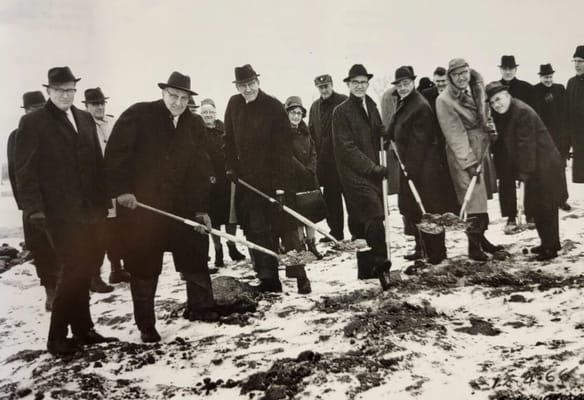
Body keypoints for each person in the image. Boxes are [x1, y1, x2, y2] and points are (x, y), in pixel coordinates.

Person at [104, 71, 216, 343]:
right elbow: (116, 155)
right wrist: (122, 191)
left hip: (183, 206)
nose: (177, 102)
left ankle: (201, 308)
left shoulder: (194, 124)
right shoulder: (138, 115)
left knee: (195, 253)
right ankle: (146, 325)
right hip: (144, 208)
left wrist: (200, 208)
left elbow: (201, 167)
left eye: (182, 97)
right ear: (163, 93)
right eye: (172, 96)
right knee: (144, 265)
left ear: (189, 99)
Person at [15, 66, 117, 356]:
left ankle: (83, 330)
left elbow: (97, 164)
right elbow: (25, 171)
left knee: (85, 269)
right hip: (56, 214)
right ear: (49, 91)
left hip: (89, 213)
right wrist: (34, 210)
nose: (65, 95)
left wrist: (103, 202)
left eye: (71, 90)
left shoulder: (84, 118)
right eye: (59, 90)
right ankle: (56, 337)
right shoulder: (34, 122)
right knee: (72, 271)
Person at [224, 64, 294, 293]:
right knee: (252, 228)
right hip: (245, 181)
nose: (247, 89)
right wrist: (231, 167)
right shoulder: (233, 105)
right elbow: (229, 141)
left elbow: (284, 150)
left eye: (251, 83)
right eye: (242, 85)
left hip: (270, 181)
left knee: (268, 228)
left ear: (258, 82)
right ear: (237, 86)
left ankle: (272, 278)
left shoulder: (273, 106)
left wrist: (281, 186)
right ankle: (262, 272)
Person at [487, 81, 567, 261]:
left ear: (507, 96)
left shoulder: (521, 112)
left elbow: (526, 146)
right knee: (537, 207)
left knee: (545, 207)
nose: (496, 104)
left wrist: (523, 173)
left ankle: (551, 248)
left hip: (545, 166)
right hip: (535, 166)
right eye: (492, 102)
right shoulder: (509, 111)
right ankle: (548, 243)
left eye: (498, 99)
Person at [435, 58, 501, 261]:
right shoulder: (444, 100)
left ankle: (482, 239)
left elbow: (486, 113)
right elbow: (454, 134)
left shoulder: (476, 88)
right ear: (450, 77)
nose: (462, 77)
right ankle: (473, 247)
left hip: (481, 148)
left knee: (481, 200)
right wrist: (469, 162)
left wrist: (491, 130)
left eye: (465, 72)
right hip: (464, 154)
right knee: (471, 199)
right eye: (457, 74)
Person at [386, 66, 454, 262]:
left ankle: (437, 253)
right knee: (414, 209)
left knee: (429, 209)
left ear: (413, 83)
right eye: (399, 85)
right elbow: (395, 127)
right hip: (411, 166)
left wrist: (410, 170)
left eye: (406, 84)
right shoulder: (405, 102)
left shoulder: (420, 105)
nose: (403, 87)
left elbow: (419, 141)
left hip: (425, 169)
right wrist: (386, 134)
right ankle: (420, 248)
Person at [332, 64, 390, 274]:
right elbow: (347, 148)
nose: (359, 86)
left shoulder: (371, 105)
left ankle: (366, 270)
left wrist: (385, 135)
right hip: (354, 175)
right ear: (348, 84)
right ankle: (380, 262)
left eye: (363, 82)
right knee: (374, 214)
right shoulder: (341, 112)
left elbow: (376, 134)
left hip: (372, 172)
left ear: (367, 83)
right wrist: (372, 168)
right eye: (355, 82)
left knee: (360, 221)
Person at [7, 91, 58, 312]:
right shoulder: (17, 135)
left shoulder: (55, 132)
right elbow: (17, 173)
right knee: (43, 251)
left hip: (59, 206)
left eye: (40, 108)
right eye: (32, 109)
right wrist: (29, 207)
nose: (36, 113)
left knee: (62, 250)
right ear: (26, 111)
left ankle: (65, 291)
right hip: (35, 208)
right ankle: (51, 293)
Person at [83, 87, 130, 291]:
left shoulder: (112, 123)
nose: (100, 107)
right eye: (95, 104)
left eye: (102, 103)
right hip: (95, 188)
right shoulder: (82, 126)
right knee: (98, 232)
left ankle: (116, 269)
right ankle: (94, 276)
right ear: (86, 106)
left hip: (115, 184)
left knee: (117, 228)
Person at [198, 98, 246, 267]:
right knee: (215, 217)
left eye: (211, 112)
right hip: (210, 181)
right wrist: (207, 174)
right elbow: (198, 157)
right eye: (205, 113)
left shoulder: (223, 128)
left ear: (215, 113)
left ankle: (232, 246)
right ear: (200, 114)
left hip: (227, 178)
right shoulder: (198, 132)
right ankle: (218, 250)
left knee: (230, 216)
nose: (208, 115)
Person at [495, 55, 536, 231]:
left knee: (529, 177)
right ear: (500, 69)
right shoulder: (493, 89)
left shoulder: (527, 88)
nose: (508, 71)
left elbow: (533, 115)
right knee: (506, 181)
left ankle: (531, 213)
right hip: (503, 145)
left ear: (516, 69)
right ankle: (511, 217)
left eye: (511, 68)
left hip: (523, 142)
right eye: (505, 68)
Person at [308, 74, 348, 242]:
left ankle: (358, 232)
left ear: (332, 85)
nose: (324, 89)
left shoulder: (344, 101)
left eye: (327, 86)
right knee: (332, 200)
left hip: (344, 161)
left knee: (351, 198)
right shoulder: (315, 107)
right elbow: (311, 132)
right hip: (326, 163)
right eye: (321, 87)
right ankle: (336, 232)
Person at [285, 96, 323, 259]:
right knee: (298, 212)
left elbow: (313, 152)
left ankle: (312, 243)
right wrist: (302, 171)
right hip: (294, 179)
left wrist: (311, 169)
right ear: (287, 113)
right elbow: (287, 155)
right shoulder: (283, 133)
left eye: (299, 113)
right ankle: (300, 245)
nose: (296, 116)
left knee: (311, 210)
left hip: (309, 178)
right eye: (293, 112)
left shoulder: (306, 131)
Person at [532, 64, 571, 211]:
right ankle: (546, 200)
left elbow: (566, 112)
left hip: (559, 138)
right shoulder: (535, 91)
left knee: (560, 169)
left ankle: (562, 199)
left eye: (550, 77)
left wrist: (566, 138)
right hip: (542, 138)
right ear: (540, 77)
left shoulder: (560, 89)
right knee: (543, 170)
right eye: (545, 77)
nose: (548, 80)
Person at [567, 45, 584, 184]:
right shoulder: (571, 82)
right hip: (577, 139)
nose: (577, 64)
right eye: (575, 61)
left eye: (581, 61)